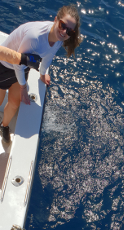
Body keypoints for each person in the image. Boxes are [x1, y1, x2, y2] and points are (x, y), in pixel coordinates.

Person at [0, 4, 82, 143]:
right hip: (6, 65)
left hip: (23, 66)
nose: (64, 32)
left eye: (69, 31)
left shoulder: (58, 39)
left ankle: (4, 126)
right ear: (56, 20)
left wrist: (42, 75)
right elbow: (16, 62)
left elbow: (48, 56)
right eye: (62, 25)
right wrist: (23, 87)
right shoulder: (35, 37)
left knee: (14, 103)